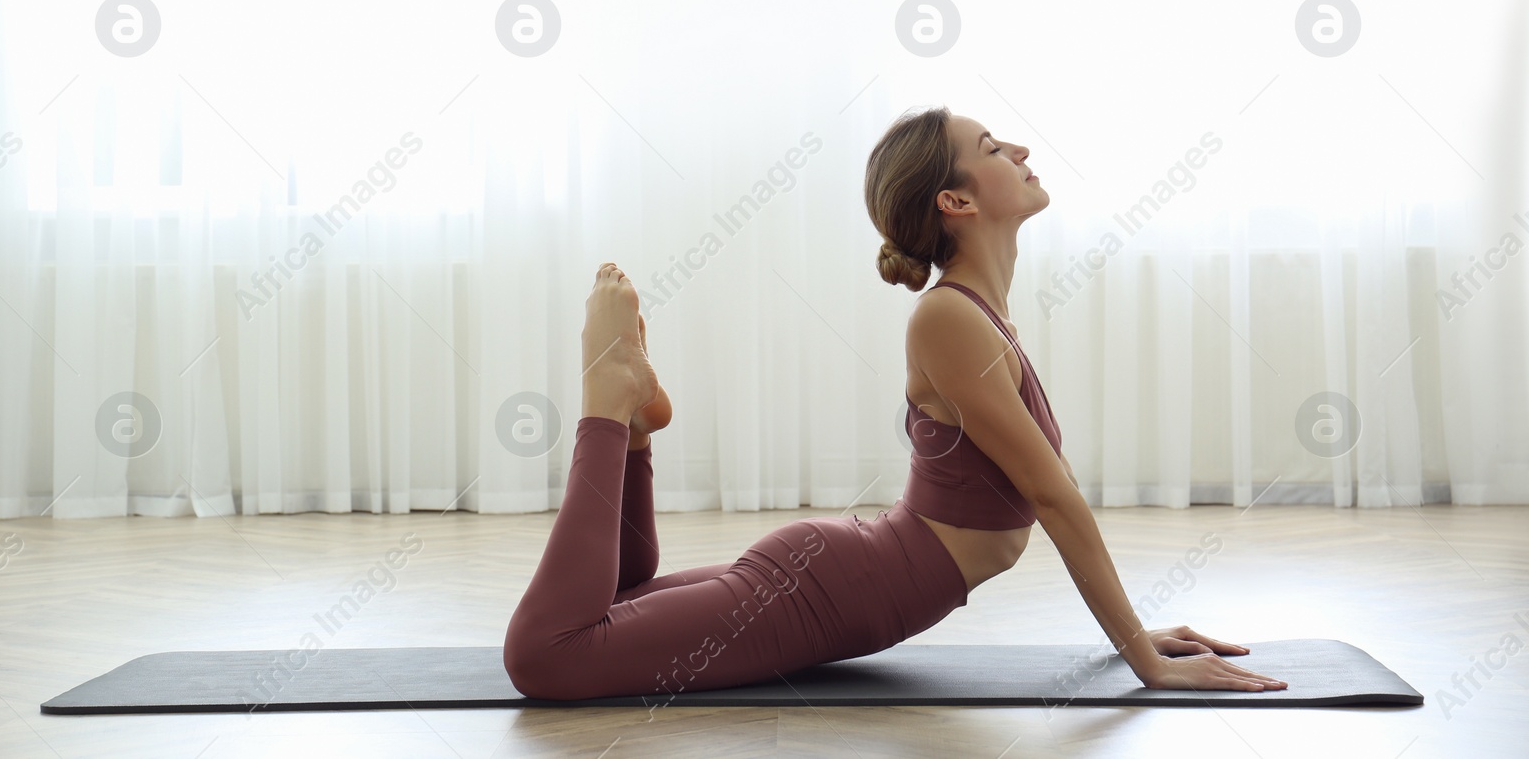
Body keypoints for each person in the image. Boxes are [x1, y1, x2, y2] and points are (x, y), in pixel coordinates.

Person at [502, 106, 1288, 702]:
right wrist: (1139, 655)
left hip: (832, 577)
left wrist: (1135, 638)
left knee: (615, 601)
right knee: (546, 656)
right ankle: (607, 400)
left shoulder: (978, 316)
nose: (1017, 149)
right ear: (956, 200)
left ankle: (633, 431)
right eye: (991, 149)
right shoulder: (948, 317)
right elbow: (1054, 496)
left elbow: (1051, 492)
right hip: (826, 592)